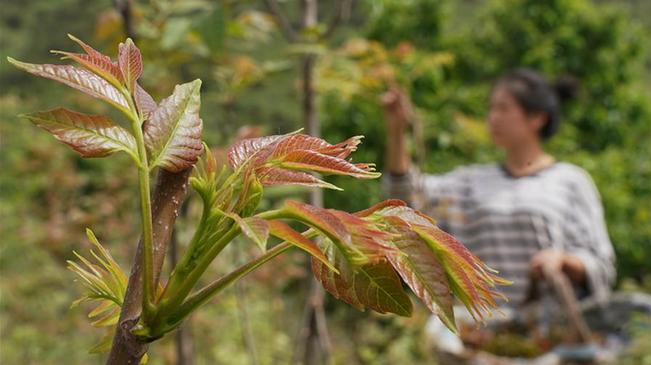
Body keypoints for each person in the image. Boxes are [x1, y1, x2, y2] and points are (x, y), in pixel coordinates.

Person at [382, 69, 615, 306]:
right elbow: (406, 200)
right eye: (491, 109)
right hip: (479, 332)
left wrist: (564, 261)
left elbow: (600, 263)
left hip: (552, 332)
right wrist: (397, 131)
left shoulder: (570, 181)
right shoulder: (470, 183)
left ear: (537, 118)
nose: (492, 118)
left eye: (503, 109)